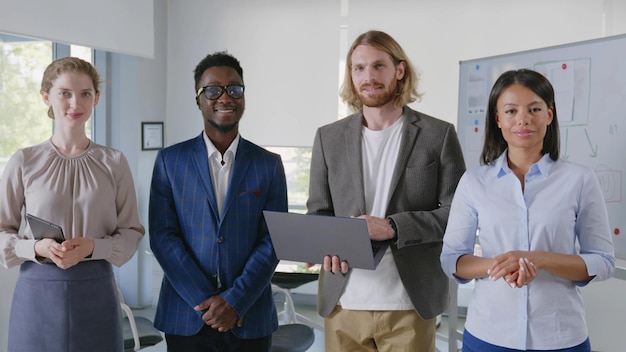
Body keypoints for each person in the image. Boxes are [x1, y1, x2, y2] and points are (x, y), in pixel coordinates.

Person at [306, 30, 466, 351]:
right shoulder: (328, 137)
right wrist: (322, 247)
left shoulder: (439, 135)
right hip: (344, 301)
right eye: (359, 68)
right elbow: (319, 213)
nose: (368, 77)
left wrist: (393, 227)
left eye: (379, 66)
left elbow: (457, 216)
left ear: (399, 71)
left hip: (409, 302)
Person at [440, 69, 615, 351]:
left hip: (560, 336)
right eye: (511, 110)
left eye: (534, 109)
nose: (523, 119)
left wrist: (540, 259)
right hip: (488, 334)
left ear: (549, 115)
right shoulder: (474, 181)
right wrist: (501, 265)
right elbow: (452, 259)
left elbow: (603, 261)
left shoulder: (579, 179)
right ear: (498, 119)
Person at [0, 56, 145, 352]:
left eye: (85, 94)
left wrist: (93, 247)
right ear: (46, 97)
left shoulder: (114, 162)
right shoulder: (23, 161)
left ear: (97, 99)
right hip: (36, 295)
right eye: (64, 93)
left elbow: (131, 231)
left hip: (96, 292)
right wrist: (35, 248)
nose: (75, 103)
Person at [148, 51, 288, 352]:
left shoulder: (269, 164)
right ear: (198, 99)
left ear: (243, 96)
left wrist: (234, 301)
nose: (225, 97)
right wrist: (206, 301)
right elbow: (163, 236)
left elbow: (274, 240)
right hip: (187, 314)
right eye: (212, 89)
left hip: (249, 315)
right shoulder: (170, 161)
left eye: (234, 88)